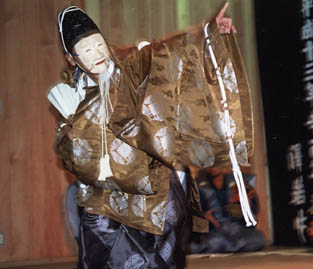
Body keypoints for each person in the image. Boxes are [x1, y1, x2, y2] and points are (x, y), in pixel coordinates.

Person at [52, 2, 254, 268]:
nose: (98, 54)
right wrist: (69, 138)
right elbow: (66, 149)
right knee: (100, 242)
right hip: (104, 193)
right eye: (86, 50)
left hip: (150, 180)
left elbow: (167, 51)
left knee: (159, 245)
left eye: (99, 43)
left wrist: (209, 32)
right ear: (72, 58)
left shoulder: (129, 63)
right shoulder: (72, 91)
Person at [189, 167, 265, 254]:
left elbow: (251, 217)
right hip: (214, 232)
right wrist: (208, 221)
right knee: (214, 242)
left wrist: (246, 205)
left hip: (236, 230)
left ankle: (227, 247)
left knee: (259, 238)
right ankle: (232, 247)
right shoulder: (198, 185)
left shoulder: (237, 182)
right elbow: (194, 219)